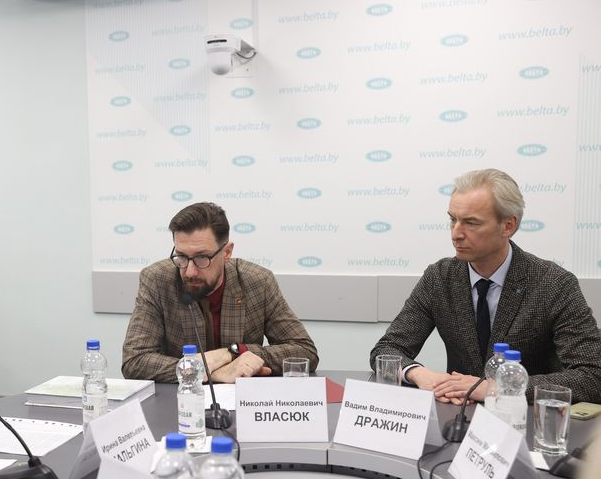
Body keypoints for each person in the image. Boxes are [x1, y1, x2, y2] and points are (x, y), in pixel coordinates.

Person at [370, 169, 601, 404]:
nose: (456, 234)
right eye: (453, 219)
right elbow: (387, 350)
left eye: (471, 223)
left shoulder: (553, 284)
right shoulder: (439, 277)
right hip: (458, 416)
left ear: (508, 226)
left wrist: (496, 388)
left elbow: (593, 376)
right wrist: (421, 375)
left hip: (524, 419)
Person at [122, 202, 318, 382]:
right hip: (181, 399)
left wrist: (233, 352)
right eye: (181, 256)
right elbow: (134, 361)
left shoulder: (258, 282)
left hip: (243, 402)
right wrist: (209, 372)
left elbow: (304, 351)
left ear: (227, 252)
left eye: (202, 258)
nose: (190, 271)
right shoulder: (157, 280)